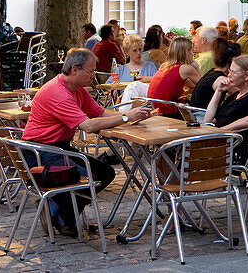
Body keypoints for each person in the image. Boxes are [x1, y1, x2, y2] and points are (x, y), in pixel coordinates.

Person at [23, 49, 152, 236]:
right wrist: (125, 117)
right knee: (87, 177)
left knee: (104, 173)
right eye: (91, 71)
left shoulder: (77, 90)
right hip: (39, 152)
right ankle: (60, 215)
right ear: (75, 70)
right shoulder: (58, 92)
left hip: (58, 148)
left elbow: (100, 113)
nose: (94, 76)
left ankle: (58, 210)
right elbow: (89, 126)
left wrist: (132, 116)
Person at [202, 56, 248, 163]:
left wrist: (222, 130)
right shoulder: (236, 95)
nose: (229, 75)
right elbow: (208, 119)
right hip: (219, 140)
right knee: (178, 148)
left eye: (233, 72)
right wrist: (218, 91)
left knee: (183, 150)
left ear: (246, 75)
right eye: (229, 71)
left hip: (233, 146)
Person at [147, 37, 204, 115]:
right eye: (191, 50)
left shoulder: (165, 66)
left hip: (154, 109)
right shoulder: (185, 68)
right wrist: (196, 67)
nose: (193, 54)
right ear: (186, 52)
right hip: (168, 111)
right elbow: (204, 86)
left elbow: (192, 86)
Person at [190, 38, 241, 111]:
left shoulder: (212, 72)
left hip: (194, 113)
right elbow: (242, 93)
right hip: (201, 116)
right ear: (232, 60)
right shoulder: (221, 79)